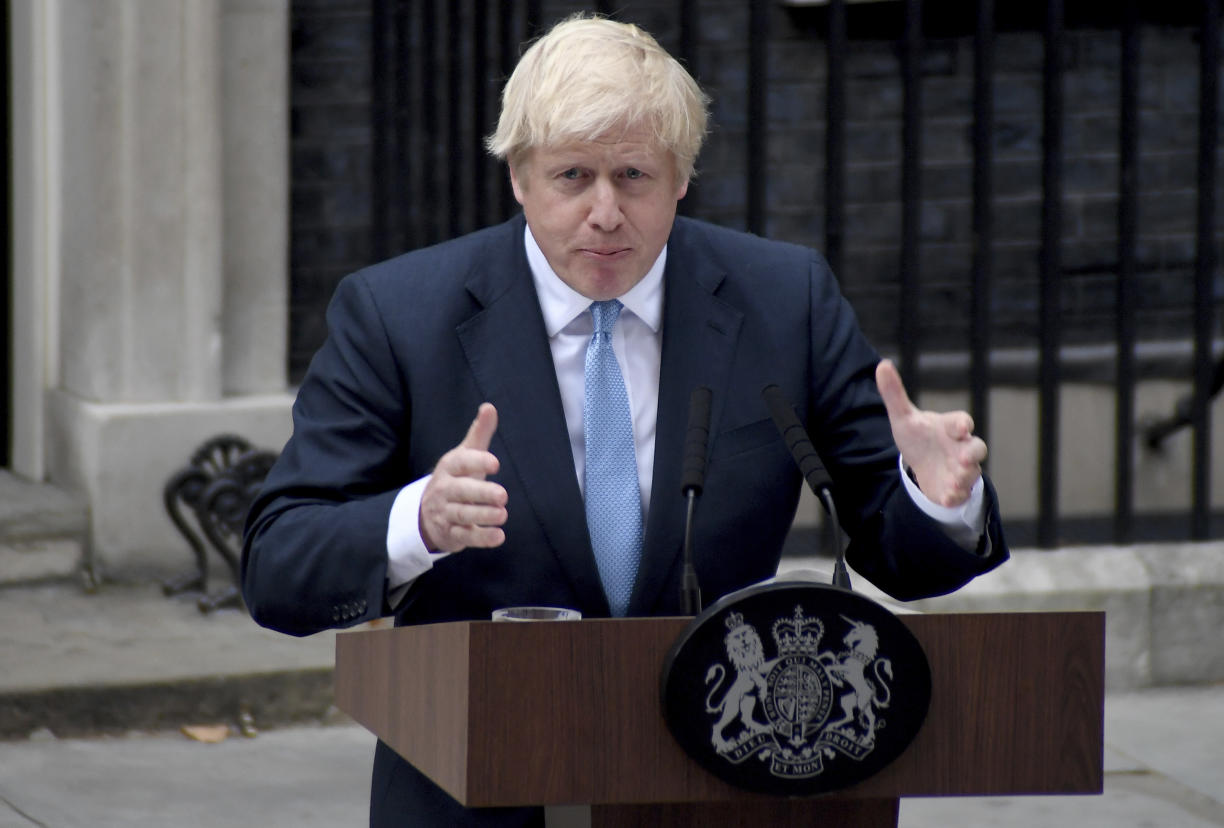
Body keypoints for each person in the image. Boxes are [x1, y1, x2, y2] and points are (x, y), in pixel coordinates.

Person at [242, 14, 1008, 827]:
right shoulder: (397, 317)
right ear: (518, 176)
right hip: (480, 789)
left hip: (730, 789)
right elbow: (279, 565)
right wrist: (417, 523)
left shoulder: (784, 301)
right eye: (573, 176)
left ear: (681, 177)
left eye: (634, 176)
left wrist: (936, 497)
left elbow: (897, 546)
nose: (606, 212)